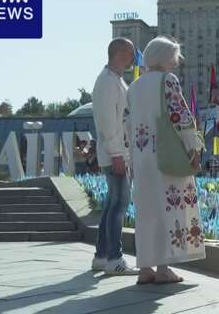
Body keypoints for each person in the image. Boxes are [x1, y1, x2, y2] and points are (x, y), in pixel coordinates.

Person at [127, 36, 205, 284]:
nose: (175, 62)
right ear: (164, 57)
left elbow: (126, 123)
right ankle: (163, 268)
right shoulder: (167, 81)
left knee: (146, 211)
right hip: (166, 155)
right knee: (168, 209)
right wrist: (193, 148)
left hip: (141, 158)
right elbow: (180, 116)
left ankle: (144, 269)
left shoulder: (134, 86)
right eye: (173, 57)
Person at [90, 37, 138, 275]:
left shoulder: (115, 81)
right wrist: (118, 153)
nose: (133, 57)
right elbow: (108, 121)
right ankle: (114, 258)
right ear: (118, 53)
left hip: (117, 152)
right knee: (119, 204)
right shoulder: (107, 82)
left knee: (111, 204)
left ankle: (101, 255)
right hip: (115, 154)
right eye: (131, 53)